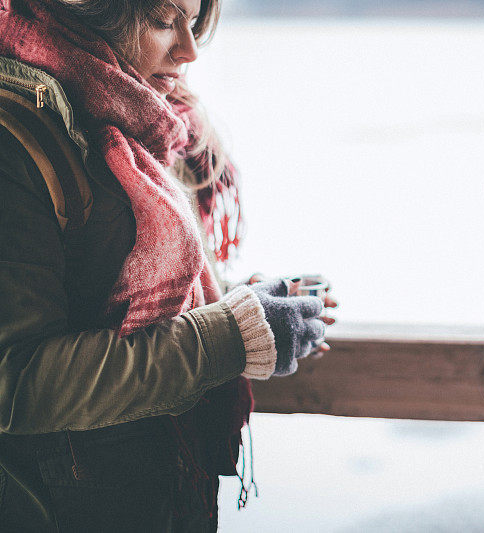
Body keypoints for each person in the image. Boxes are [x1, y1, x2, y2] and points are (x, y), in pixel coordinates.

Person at [0, 0, 334, 530]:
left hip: (153, 493)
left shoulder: (142, 116)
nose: (191, 49)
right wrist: (229, 337)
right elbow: (14, 381)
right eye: (163, 20)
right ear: (95, 12)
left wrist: (240, 301)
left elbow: (110, 287)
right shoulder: (16, 135)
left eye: (193, 19)